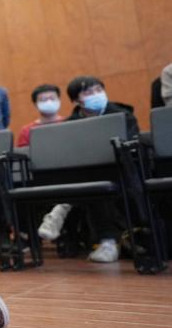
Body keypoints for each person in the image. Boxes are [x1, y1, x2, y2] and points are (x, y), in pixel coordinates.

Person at [55, 75, 140, 262]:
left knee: (101, 179)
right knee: (90, 180)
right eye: (88, 92)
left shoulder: (123, 115)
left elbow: (132, 145)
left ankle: (63, 206)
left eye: (99, 90)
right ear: (76, 100)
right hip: (87, 174)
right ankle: (107, 239)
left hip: (123, 170)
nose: (96, 95)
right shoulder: (69, 124)